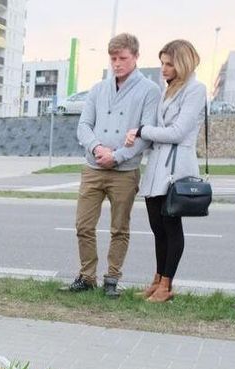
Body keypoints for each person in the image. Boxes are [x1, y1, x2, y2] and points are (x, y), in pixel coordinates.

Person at [63, 33, 160, 297]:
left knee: (119, 227)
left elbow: (145, 132)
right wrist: (96, 148)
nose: (117, 63)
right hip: (93, 167)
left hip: (124, 170)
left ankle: (112, 278)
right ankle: (86, 276)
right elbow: (83, 125)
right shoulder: (98, 89)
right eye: (113, 58)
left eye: (122, 58)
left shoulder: (150, 90)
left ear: (136, 57)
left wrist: (116, 156)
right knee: (83, 225)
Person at [126, 39, 206, 303]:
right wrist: (137, 136)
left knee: (171, 227)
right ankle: (157, 279)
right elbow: (158, 128)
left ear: (182, 64)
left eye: (169, 64)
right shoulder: (168, 89)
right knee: (157, 228)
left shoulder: (195, 89)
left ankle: (167, 285)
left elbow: (178, 132)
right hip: (157, 167)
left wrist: (143, 130)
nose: (163, 68)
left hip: (176, 167)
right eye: (162, 63)